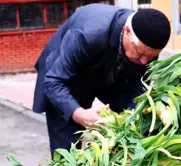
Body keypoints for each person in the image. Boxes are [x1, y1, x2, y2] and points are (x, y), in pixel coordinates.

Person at [32, 3, 171, 158]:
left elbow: (138, 86)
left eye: (151, 57)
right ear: (126, 32)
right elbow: (53, 81)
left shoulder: (146, 43)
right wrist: (79, 114)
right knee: (67, 152)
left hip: (109, 72)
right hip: (66, 79)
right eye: (140, 54)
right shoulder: (88, 35)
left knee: (129, 132)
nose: (145, 61)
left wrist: (133, 115)